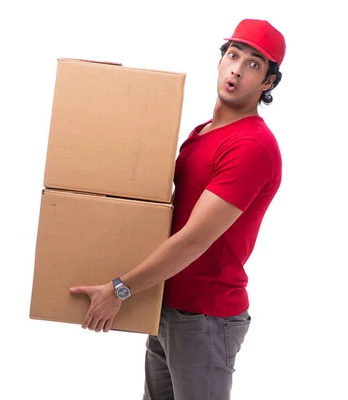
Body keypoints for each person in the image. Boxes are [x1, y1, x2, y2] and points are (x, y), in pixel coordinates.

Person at [70, 18, 286, 400]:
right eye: (233, 55)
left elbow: (193, 240)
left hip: (205, 318)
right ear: (220, 61)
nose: (238, 68)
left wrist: (119, 289)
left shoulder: (251, 147)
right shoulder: (203, 132)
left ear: (268, 82)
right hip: (168, 305)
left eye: (254, 64)